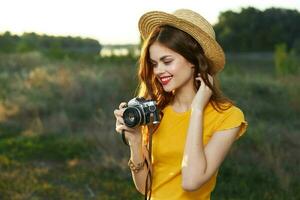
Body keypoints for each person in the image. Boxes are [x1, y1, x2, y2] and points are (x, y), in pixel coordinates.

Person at [114, 9, 248, 200]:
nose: (159, 71)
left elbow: (191, 181)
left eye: (167, 61)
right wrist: (134, 141)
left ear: (193, 60)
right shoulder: (154, 112)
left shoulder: (228, 117)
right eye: (154, 63)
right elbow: (146, 188)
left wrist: (197, 110)